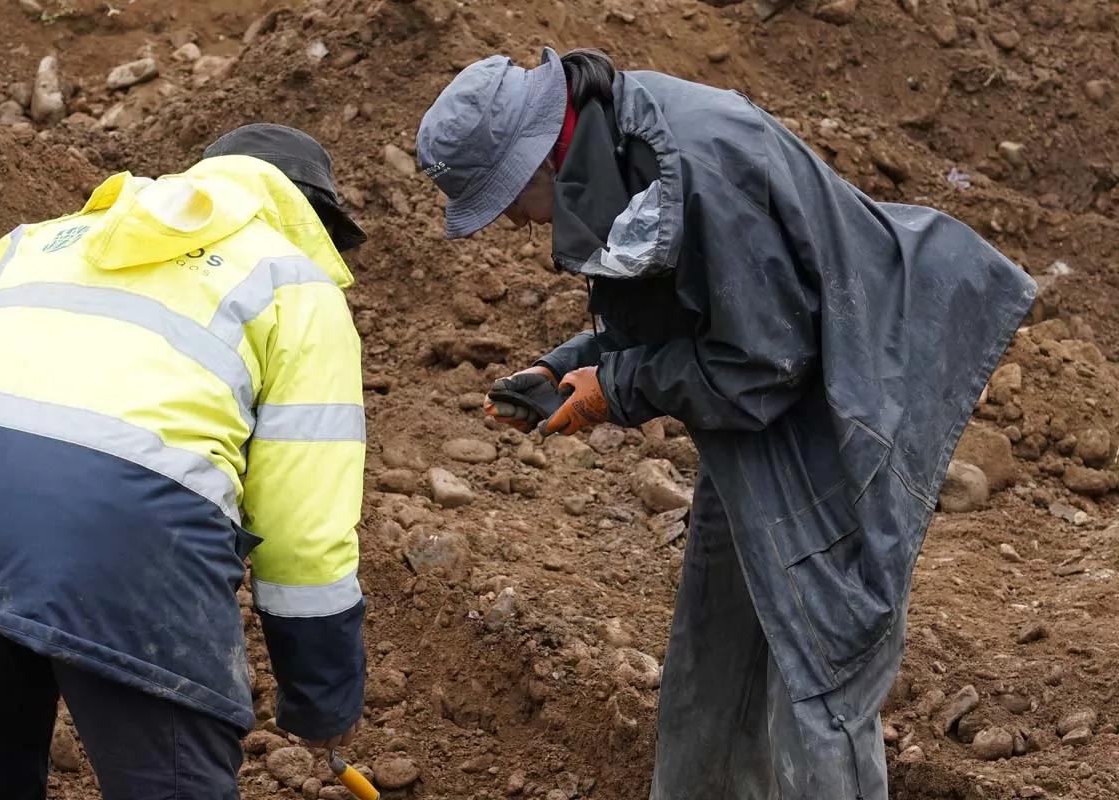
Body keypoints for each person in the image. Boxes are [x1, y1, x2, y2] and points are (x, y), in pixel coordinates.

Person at [416, 47, 1037, 798]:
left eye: (504, 201)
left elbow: (763, 365)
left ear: (536, 162)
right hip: (770, 408)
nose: (511, 224)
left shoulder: (698, 164)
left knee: (824, 673)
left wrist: (614, 385)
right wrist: (566, 366)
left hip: (846, 398)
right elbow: (682, 306)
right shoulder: (614, 143)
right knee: (716, 652)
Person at [0, 123, 369, 799]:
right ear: (311, 220)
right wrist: (322, 702)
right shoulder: (295, 283)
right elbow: (305, 534)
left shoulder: (35, 240)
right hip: (129, 539)